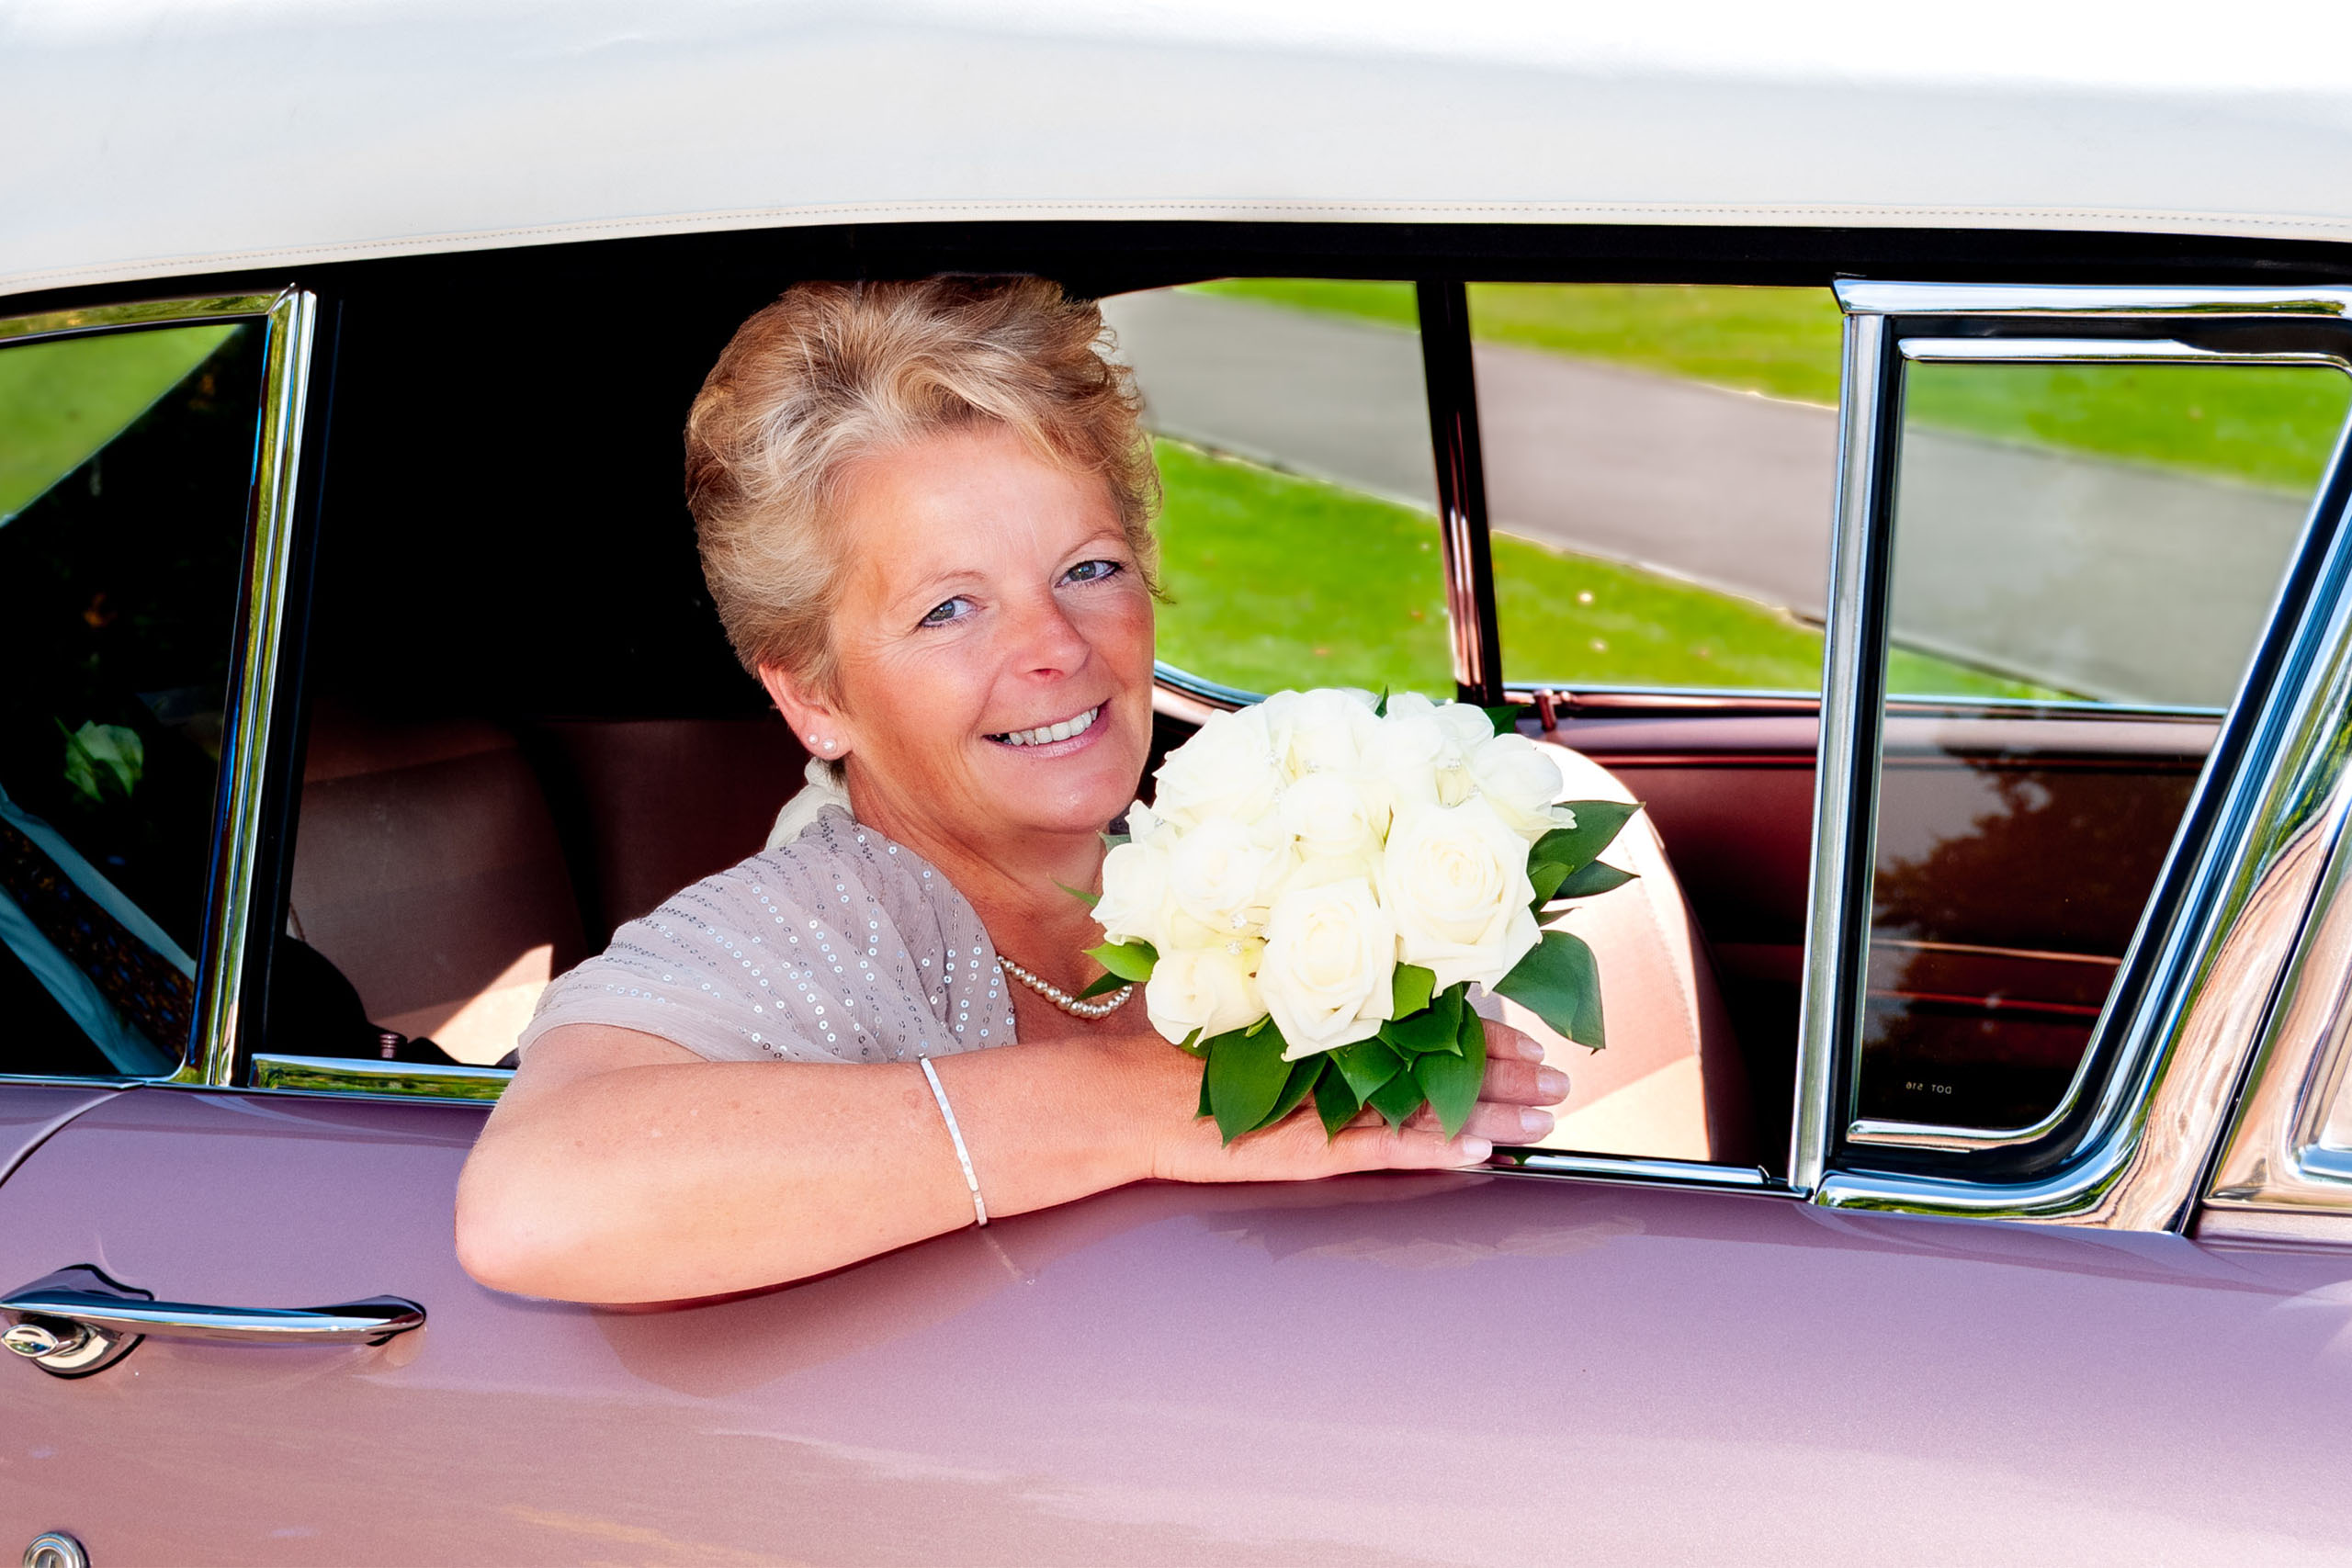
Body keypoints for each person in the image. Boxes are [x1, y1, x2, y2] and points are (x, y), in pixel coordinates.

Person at [454, 277, 1717, 1308]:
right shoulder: (822, 929)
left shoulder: (1249, 866)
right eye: (950, 608)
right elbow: (537, 1200)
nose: (1056, 648)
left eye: (1089, 569)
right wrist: (1146, 1102)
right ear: (812, 696)